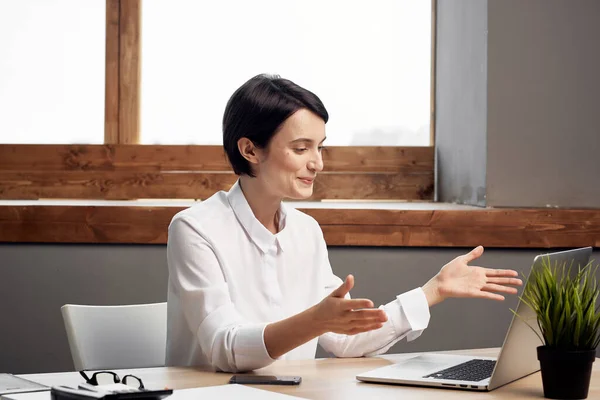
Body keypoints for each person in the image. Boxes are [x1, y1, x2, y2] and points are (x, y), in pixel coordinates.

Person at [165, 74, 522, 372]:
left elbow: (347, 339)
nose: (317, 163)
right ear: (250, 150)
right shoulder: (195, 229)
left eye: (320, 147)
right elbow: (225, 349)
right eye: (301, 148)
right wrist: (316, 320)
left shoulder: (306, 232)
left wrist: (434, 290)